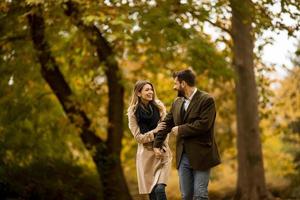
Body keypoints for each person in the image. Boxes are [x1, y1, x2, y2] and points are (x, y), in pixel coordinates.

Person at [153, 69, 221, 200]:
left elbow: (204, 124)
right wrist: (157, 144)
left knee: (200, 195)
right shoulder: (177, 102)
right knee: (186, 196)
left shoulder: (207, 100)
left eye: (175, 84)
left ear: (183, 84)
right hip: (183, 155)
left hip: (202, 154)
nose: (174, 87)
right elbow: (166, 124)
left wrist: (181, 129)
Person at [127, 80, 172, 200]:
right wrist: (154, 131)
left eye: (151, 89)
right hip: (146, 156)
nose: (150, 92)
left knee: (160, 189)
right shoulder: (133, 112)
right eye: (147, 90)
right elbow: (138, 138)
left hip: (161, 152)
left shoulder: (159, 107)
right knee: (152, 194)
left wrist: (158, 146)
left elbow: (165, 129)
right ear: (138, 93)